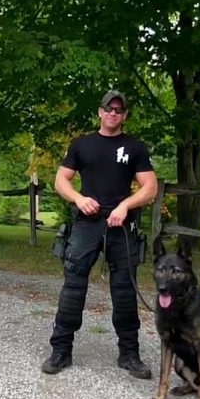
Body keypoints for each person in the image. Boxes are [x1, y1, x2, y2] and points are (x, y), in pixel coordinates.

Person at [42, 89, 158, 379]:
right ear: (100, 111)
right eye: (109, 109)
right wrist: (78, 199)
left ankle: (129, 354)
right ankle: (61, 351)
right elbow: (60, 180)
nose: (113, 114)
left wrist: (125, 205)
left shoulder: (135, 148)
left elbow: (150, 188)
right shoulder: (82, 145)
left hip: (122, 224)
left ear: (125, 115)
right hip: (87, 222)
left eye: (119, 110)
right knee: (73, 287)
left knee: (124, 291)